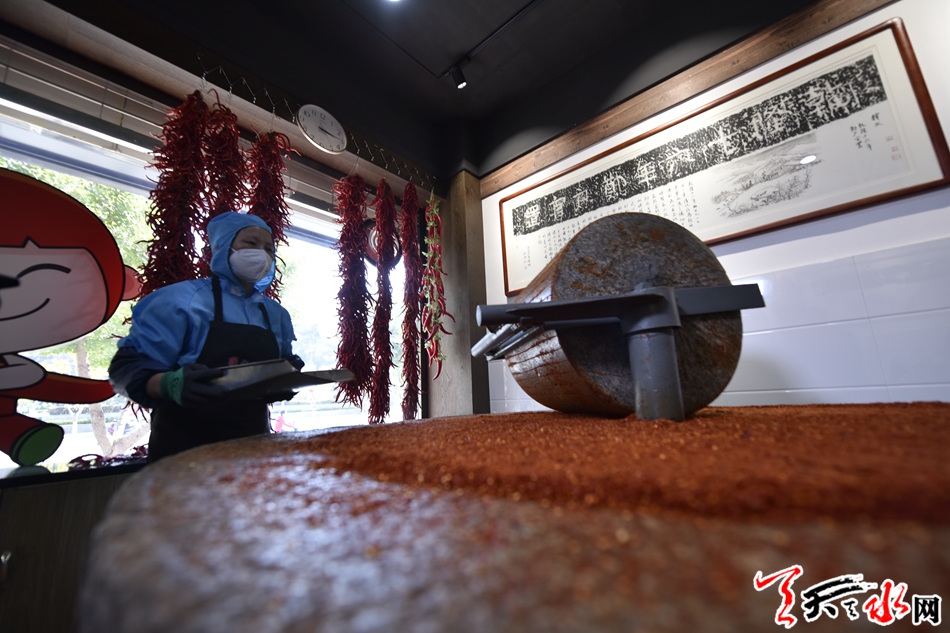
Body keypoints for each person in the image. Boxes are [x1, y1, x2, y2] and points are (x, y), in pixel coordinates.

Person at [109, 212, 303, 462]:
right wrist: (170, 384)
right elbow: (124, 371)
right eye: (251, 243)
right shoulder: (179, 301)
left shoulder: (275, 314)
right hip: (183, 454)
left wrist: (282, 379)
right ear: (222, 247)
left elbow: (279, 366)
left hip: (254, 450)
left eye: (268, 249)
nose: (262, 254)